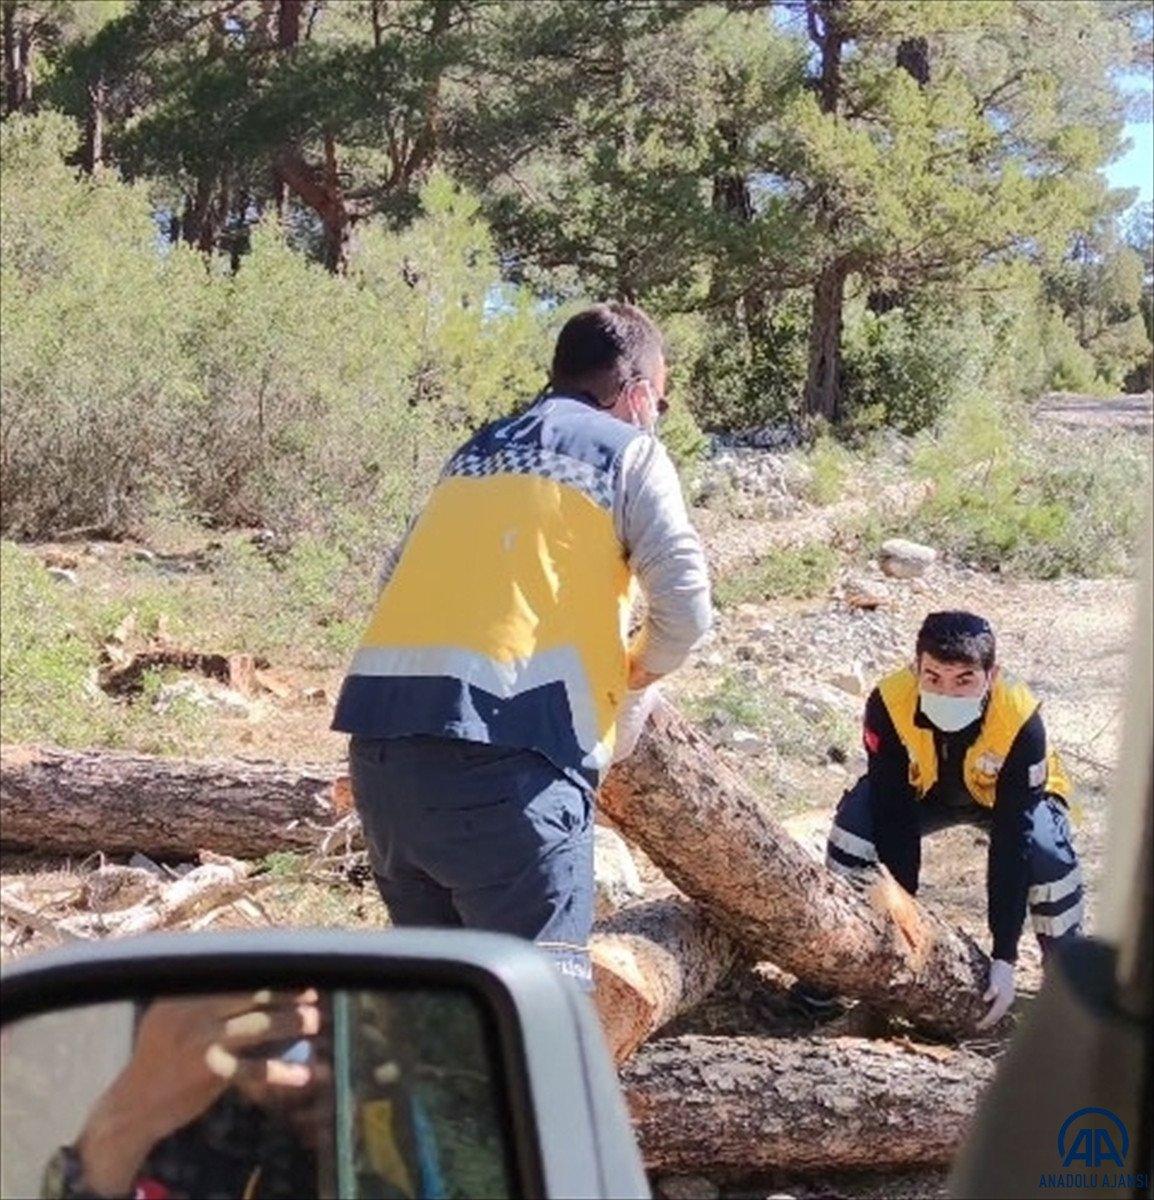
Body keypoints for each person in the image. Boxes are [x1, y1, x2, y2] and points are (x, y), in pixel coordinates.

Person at [331, 302, 713, 992]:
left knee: (438, 1017)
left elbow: (397, 577)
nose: (658, 413)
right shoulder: (629, 451)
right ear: (635, 393)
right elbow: (685, 608)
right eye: (660, 398)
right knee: (537, 1026)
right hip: (513, 767)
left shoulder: (475, 452)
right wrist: (636, 674)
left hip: (384, 760)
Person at [823, 610, 1083, 1029]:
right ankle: (832, 972)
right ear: (916, 669)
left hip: (1007, 803)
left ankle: (1066, 989)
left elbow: (1013, 838)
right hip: (926, 795)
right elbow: (893, 817)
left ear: (991, 675)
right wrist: (903, 924)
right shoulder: (889, 703)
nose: (947, 691)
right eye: (933, 677)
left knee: (1046, 852)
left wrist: (1004, 957)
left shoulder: (1020, 719)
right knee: (856, 826)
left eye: (964, 680)